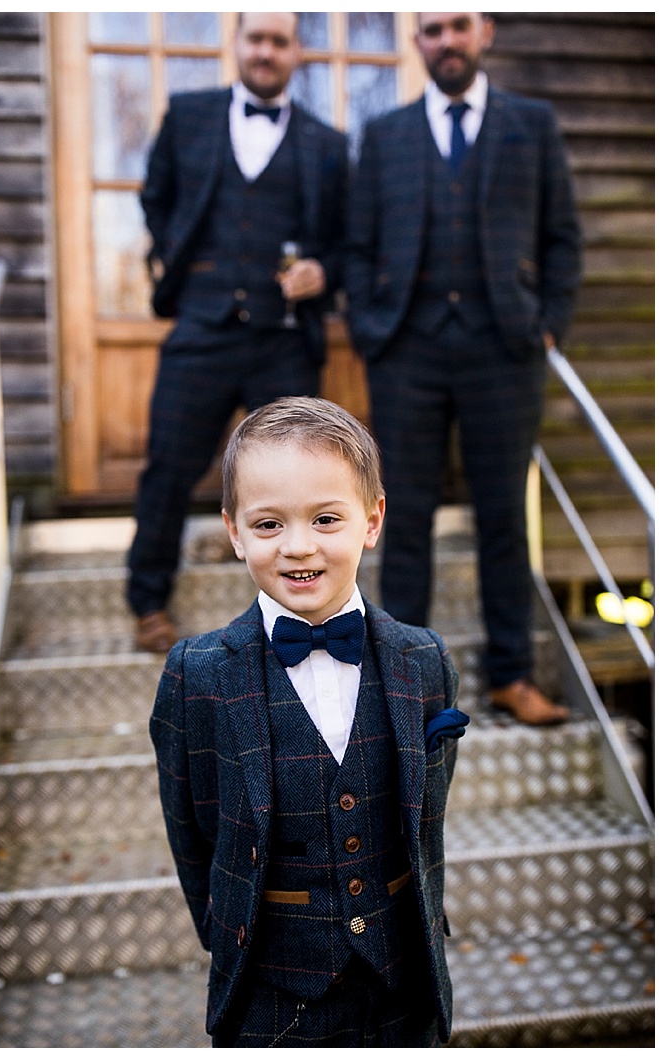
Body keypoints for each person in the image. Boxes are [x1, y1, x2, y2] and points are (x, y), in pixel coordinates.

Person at [150, 397, 467, 1046]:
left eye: (326, 519)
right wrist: (233, 934)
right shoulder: (197, 675)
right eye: (268, 525)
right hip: (271, 997)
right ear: (234, 531)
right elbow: (195, 834)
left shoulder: (425, 661)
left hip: (405, 988)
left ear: (372, 520)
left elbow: (423, 819)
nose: (299, 548)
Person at [343, 12, 581, 726]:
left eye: (458, 27)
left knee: (504, 515)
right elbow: (357, 244)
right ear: (417, 43)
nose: (445, 40)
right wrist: (369, 329)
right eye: (431, 29)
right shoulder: (385, 135)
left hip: (502, 351)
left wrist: (547, 325)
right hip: (406, 350)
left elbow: (563, 236)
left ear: (485, 34)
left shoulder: (531, 125)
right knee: (402, 516)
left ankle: (510, 675)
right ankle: (404, 686)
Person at [128, 12, 350, 654]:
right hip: (202, 325)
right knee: (168, 466)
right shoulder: (189, 116)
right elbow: (156, 198)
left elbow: (347, 243)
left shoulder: (327, 143)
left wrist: (323, 271)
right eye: (256, 38)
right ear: (238, 45)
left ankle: (301, 610)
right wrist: (175, 257)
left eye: (279, 41)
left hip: (284, 337)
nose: (266, 51)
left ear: (296, 53)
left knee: (297, 480)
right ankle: (148, 602)